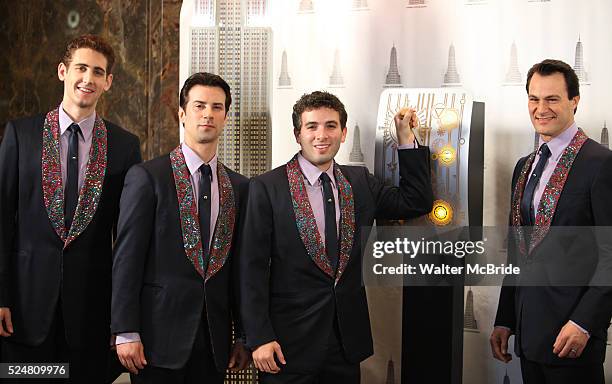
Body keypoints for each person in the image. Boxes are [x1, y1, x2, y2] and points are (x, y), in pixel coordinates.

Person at [240, 91, 433, 383]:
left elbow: (416, 200)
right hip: (286, 346)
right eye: (312, 126)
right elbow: (250, 269)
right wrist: (258, 337)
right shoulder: (267, 187)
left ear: (343, 133)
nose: (322, 135)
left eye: (331, 126)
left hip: (345, 343)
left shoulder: (360, 182)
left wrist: (406, 139)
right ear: (297, 134)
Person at [0, 34, 142, 382]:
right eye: (81, 68)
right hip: (24, 307)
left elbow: (127, 241)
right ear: (63, 71)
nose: (87, 79)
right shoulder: (21, 135)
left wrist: (123, 319)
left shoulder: (125, 146)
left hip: (91, 312)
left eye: (98, 72)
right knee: (27, 379)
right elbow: (1, 220)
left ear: (108, 82)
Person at [111, 72, 250, 384]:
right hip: (156, 340)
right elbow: (126, 259)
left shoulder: (240, 187)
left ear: (226, 116)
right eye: (199, 105)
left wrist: (243, 334)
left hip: (215, 342)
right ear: (182, 114)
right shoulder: (147, 177)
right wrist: (125, 330)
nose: (208, 114)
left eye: (217, 107)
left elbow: (242, 269)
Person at [490, 59, 612, 384]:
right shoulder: (524, 166)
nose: (541, 108)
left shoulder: (601, 164)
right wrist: (505, 319)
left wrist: (585, 322)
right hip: (529, 337)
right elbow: (519, 251)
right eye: (534, 98)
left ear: (574, 101)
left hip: (573, 340)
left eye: (552, 99)